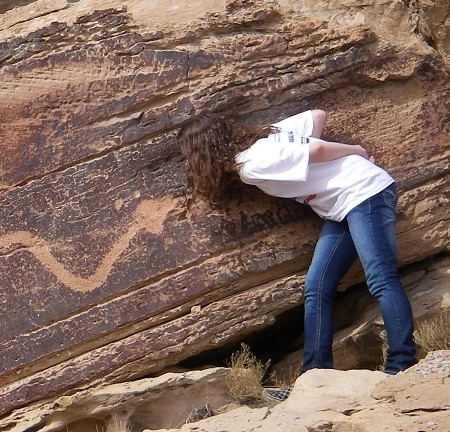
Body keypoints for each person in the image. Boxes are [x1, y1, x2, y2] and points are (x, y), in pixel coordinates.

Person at [176, 109, 417, 398]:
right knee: (317, 286)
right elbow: (317, 116)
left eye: (188, 155)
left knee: (380, 277)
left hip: (364, 193)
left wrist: (356, 151)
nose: (187, 163)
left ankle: (401, 366)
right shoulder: (265, 138)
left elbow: (316, 150)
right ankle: (315, 376)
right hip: (341, 207)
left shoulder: (252, 163)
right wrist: (307, 154)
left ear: (204, 150)